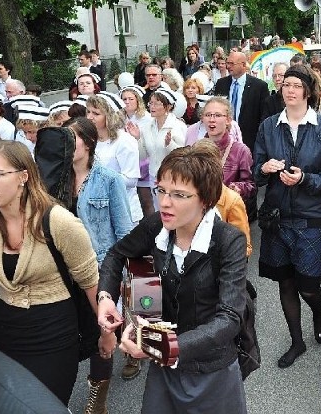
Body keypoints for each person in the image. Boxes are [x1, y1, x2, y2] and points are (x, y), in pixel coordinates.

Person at [96, 144, 248, 413]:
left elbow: (229, 319)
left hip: (210, 370)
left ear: (205, 199)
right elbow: (117, 254)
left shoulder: (228, 240)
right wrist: (106, 297)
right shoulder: (157, 225)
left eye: (179, 194)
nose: (165, 202)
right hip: (163, 367)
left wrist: (165, 346)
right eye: (161, 190)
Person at [0, 141, 100, 405]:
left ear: (23, 176)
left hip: (54, 332)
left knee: (44, 404)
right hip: (5, 328)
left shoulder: (58, 221)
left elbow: (90, 281)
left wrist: (105, 333)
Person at [253, 64, 321, 368]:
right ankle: (296, 341)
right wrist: (264, 170)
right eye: (286, 84)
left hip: (311, 217)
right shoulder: (268, 126)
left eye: (296, 85)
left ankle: (317, 311)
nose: (289, 90)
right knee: (285, 283)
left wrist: (304, 178)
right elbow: (257, 171)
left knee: (308, 285)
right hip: (277, 217)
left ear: (308, 90)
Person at [64, 117, 134, 406]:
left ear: (90, 143)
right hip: (64, 272)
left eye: (73, 138)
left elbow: (125, 233)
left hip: (101, 268)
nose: (68, 144)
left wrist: (119, 275)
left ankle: (97, 402)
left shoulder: (109, 180)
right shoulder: (55, 180)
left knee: (100, 332)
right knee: (69, 330)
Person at [0, 234, 70, 413]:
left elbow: (88, 275)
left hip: (51, 327)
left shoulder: (28, 407)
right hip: (5, 324)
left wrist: (104, 333)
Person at [125, 87, 187, 208]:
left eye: (156, 103)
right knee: (158, 210)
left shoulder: (177, 126)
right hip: (154, 176)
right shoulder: (148, 126)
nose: (152, 107)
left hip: (173, 177)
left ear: (168, 107)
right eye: (150, 103)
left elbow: (183, 155)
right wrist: (138, 139)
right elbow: (143, 155)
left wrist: (169, 144)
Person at [86, 94, 143, 224]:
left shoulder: (125, 141)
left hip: (123, 211)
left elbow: (131, 180)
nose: (89, 117)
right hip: (98, 211)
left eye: (96, 113)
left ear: (109, 116)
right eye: (88, 111)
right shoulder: (90, 140)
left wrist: (98, 178)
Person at [199, 97, 257, 220]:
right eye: (208, 115)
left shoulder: (240, 150)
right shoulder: (196, 148)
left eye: (217, 115)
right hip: (200, 214)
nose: (211, 119)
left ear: (228, 120)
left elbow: (251, 185)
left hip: (227, 215)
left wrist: (238, 188)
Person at [214, 51, 269, 152]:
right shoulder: (221, 84)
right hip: (223, 140)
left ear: (243, 65)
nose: (228, 66)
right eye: (227, 63)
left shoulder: (259, 86)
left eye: (232, 63)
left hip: (249, 141)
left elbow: (264, 116)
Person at [120, 85, 154, 218]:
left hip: (143, 163)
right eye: (124, 99)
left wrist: (139, 137)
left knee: (146, 200)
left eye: (130, 99)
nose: (127, 102)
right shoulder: (120, 118)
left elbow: (150, 143)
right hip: (126, 163)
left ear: (138, 101)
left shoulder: (147, 118)